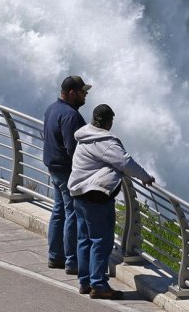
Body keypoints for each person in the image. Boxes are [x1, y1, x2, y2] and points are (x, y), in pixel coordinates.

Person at [68, 104, 155, 299]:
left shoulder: (84, 136)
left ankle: (85, 281)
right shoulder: (105, 142)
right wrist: (145, 177)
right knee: (101, 240)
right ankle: (98, 285)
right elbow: (125, 162)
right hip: (95, 197)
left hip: (78, 194)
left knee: (85, 239)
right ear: (107, 121)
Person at [42, 75, 91, 275]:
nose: (85, 96)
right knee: (72, 213)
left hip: (54, 168)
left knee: (59, 211)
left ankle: (55, 256)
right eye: (83, 92)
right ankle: (72, 261)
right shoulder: (71, 116)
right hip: (67, 171)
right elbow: (74, 149)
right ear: (72, 93)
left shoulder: (51, 109)